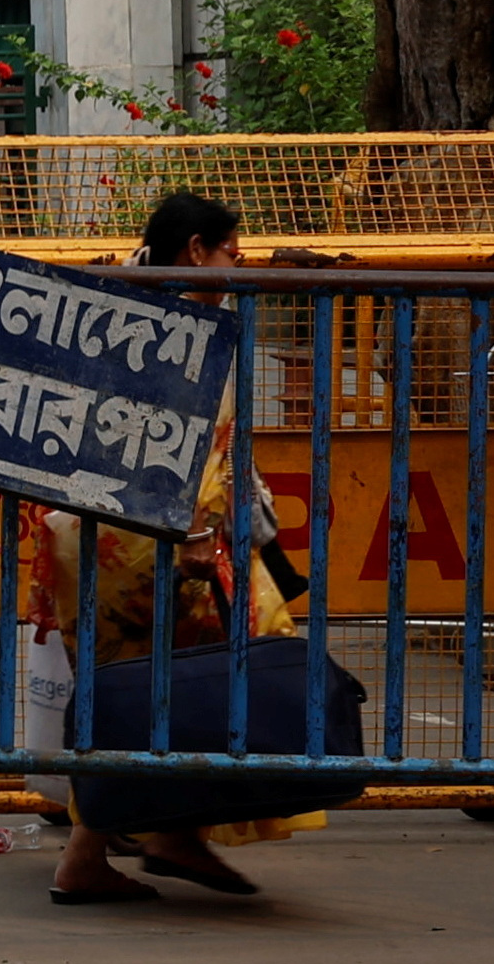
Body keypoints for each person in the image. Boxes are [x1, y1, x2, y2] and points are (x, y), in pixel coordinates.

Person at [35, 190, 359, 904]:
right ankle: (152, 837)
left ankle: (134, 843)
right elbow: (160, 445)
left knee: (138, 698)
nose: (239, 256)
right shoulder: (171, 330)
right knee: (231, 661)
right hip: (141, 543)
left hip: (99, 539)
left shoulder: (122, 305)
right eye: (228, 245)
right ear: (193, 251)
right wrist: (192, 536)